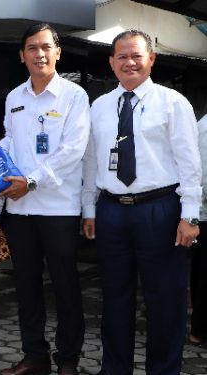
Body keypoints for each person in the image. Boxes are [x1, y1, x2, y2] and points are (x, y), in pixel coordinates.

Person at [81, 29, 201, 375]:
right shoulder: (100, 106)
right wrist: (90, 209)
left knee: (165, 300)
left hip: (160, 210)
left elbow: (189, 164)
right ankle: (114, 369)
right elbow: (91, 162)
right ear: (111, 62)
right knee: (115, 298)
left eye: (136, 55)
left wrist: (190, 215)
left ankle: (163, 370)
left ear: (151, 59)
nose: (129, 62)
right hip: (112, 211)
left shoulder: (173, 103)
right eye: (121, 56)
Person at [0, 23, 90, 375]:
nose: (40, 54)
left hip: (58, 208)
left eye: (46, 47)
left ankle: (67, 361)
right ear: (22, 56)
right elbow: (10, 140)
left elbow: (72, 151)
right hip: (19, 209)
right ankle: (35, 356)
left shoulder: (74, 96)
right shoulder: (14, 97)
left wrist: (31, 181)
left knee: (65, 285)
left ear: (58, 52)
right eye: (32, 48)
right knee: (26, 286)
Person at [189, 113, 207, 347]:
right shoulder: (205, 127)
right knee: (204, 275)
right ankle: (200, 329)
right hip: (204, 215)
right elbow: (203, 174)